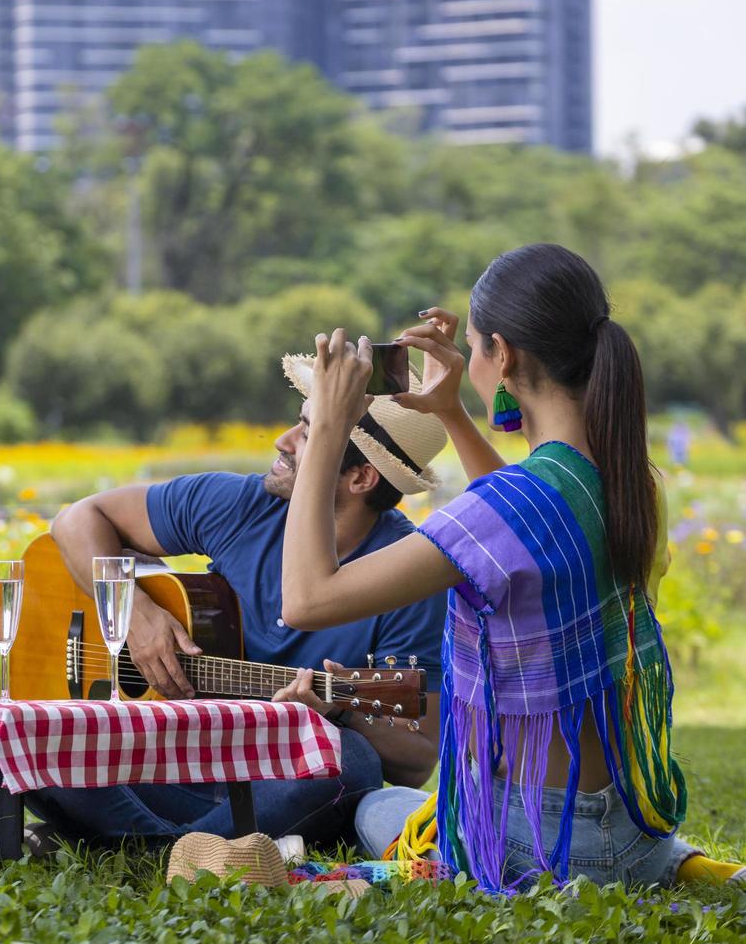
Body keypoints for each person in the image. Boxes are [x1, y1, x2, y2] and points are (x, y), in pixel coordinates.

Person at [285, 243, 740, 888]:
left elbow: (307, 598)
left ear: (504, 355)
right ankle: (679, 870)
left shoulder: (518, 504)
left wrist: (328, 428)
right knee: (397, 810)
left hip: (550, 842)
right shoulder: (630, 483)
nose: (468, 362)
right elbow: (519, 528)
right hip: (632, 831)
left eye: (472, 348)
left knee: (381, 810)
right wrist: (449, 412)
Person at [27, 357, 452, 849]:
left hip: (273, 786)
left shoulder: (409, 575)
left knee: (348, 761)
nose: (283, 441)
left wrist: (341, 713)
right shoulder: (242, 505)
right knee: (17, 735)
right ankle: (191, 850)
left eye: (310, 433)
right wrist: (132, 615)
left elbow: (416, 760)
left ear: (360, 479)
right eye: (299, 419)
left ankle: (138, 845)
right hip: (175, 763)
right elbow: (79, 518)